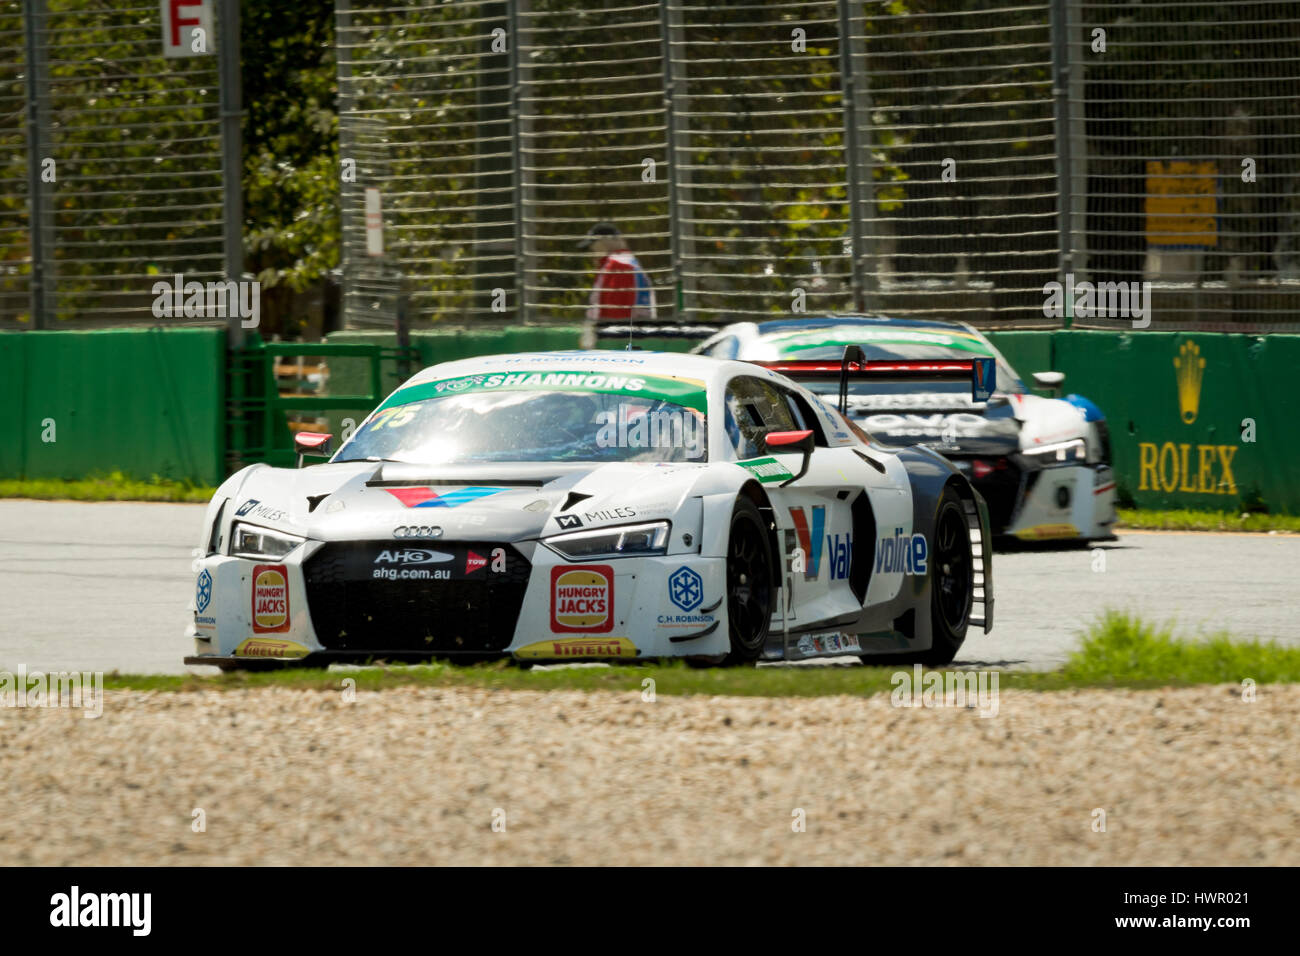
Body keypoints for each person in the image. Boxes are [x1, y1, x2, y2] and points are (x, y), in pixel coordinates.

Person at [578, 222, 655, 347]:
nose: (591, 250)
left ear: (603, 241)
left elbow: (615, 312)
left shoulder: (618, 266)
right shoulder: (625, 262)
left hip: (617, 345)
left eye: (593, 244)